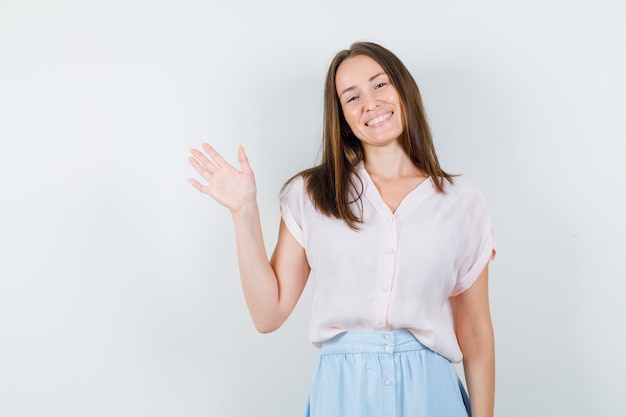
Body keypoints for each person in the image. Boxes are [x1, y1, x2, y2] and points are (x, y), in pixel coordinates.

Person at [188, 41, 496, 417]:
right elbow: (268, 315)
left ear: (403, 90)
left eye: (379, 85)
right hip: (343, 392)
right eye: (352, 97)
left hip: (431, 392)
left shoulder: (462, 201)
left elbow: (476, 333)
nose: (370, 103)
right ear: (343, 118)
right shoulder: (313, 194)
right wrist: (244, 212)